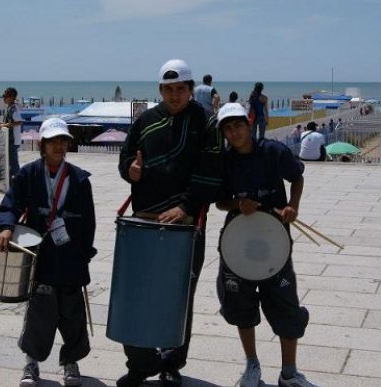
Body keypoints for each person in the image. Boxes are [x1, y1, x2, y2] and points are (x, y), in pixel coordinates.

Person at [117, 59, 222, 387]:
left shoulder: (206, 122)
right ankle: (141, 363)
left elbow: (212, 172)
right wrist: (129, 171)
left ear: (191, 90)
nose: (175, 95)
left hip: (187, 226)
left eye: (180, 89)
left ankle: (173, 361)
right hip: (144, 221)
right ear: (160, 91)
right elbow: (125, 158)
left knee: (178, 297)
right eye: (168, 89)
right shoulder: (145, 120)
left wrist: (185, 206)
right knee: (136, 295)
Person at [214, 103, 316, 387]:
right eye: (228, 129)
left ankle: (290, 372)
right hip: (238, 240)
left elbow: (297, 177)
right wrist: (238, 203)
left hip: (275, 238)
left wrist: (292, 207)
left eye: (238, 125)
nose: (234, 133)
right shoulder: (225, 160)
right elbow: (221, 201)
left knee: (285, 305)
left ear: (249, 123)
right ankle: (252, 366)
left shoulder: (273, 151)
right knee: (241, 305)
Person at [0, 117, 97, 387]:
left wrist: (84, 255)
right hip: (42, 257)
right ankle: (31, 363)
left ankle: (71, 362)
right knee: (40, 312)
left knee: (73, 314)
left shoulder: (79, 179)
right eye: (53, 141)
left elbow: (89, 222)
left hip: (71, 257)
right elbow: (11, 204)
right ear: (42, 144)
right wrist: (6, 226)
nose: (59, 146)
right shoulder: (28, 174)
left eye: (63, 141)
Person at [0, 87, 23, 178]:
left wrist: (5, 125)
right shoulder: (9, 108)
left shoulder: (13, 109)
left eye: (6, 96)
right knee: (10, 162)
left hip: (13, 139)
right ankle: (13, 179)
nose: (4, 98)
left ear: (12, 97)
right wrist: (1, 124)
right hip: (10, 139)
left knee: (13, 163)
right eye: (3, 96)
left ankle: (19, 180)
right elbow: (9, 122)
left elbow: (18, 122)